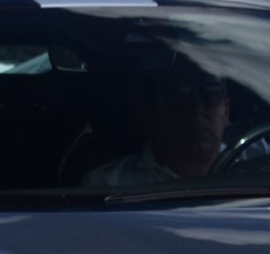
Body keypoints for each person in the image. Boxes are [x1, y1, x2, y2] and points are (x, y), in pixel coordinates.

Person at [81, 55, 234, 189]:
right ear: (152, 110)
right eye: (177, 95)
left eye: (210, 93)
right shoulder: (106, 186)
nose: (196, 108)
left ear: (226, 111)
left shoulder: (254, 170)